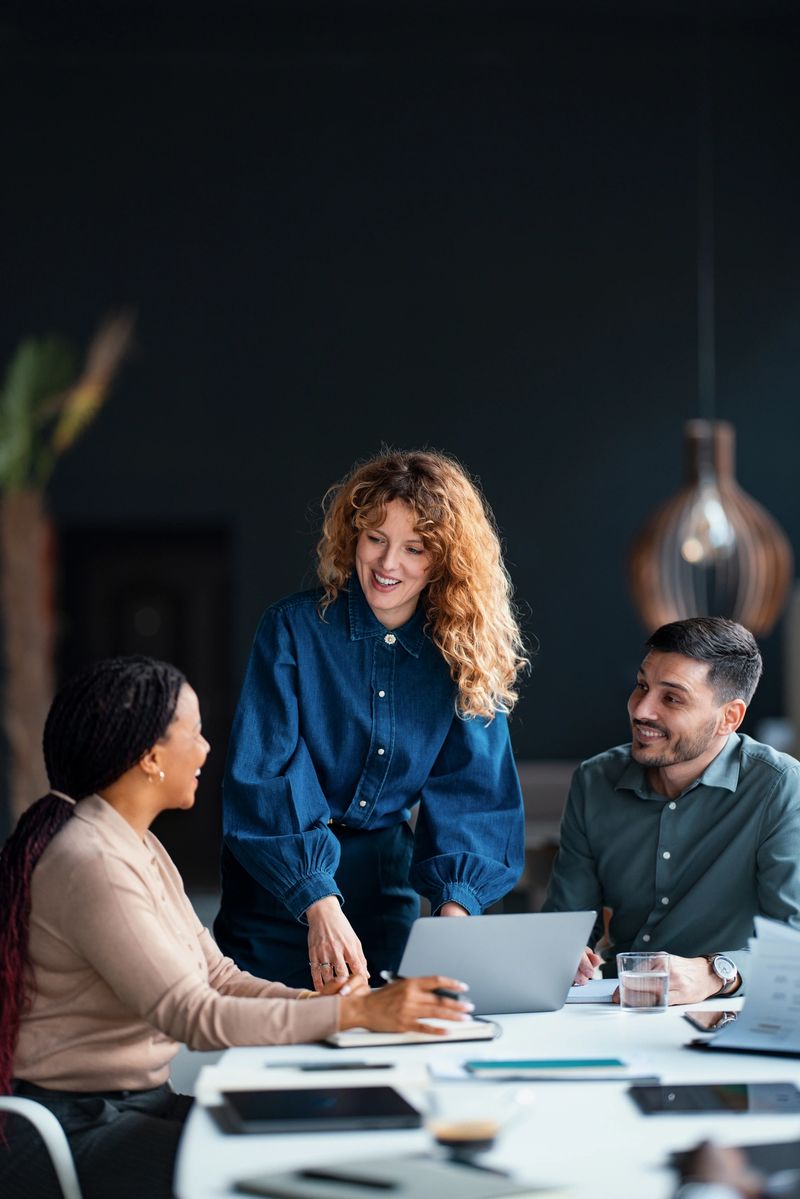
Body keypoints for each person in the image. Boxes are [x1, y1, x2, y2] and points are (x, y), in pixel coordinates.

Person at [0, 656, 473, 1199]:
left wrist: (342, 1008)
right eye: (194, 734)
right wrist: (356, 1012)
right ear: (151, 758)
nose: (206, 750)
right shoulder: (93, 862)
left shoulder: (138, 844)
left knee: (324, 1140)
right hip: (74, 1125)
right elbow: (195, 1016)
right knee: (289, 1177)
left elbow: (219, 978)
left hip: (135, 1103)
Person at [214, 448, 528, 990]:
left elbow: (476, 792)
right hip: (278, 880)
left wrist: (453, 917)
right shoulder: (292, 629)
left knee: (390, 1045)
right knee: (268, 1047)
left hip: (385, 882)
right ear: (352, 535)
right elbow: (267, 772)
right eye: (376, 539)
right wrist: (316, 899)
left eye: (415, 548)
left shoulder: (463, 652)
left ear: (445, 558)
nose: (388, 565)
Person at [544, 616, 800, 1005]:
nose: (641, 710)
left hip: (729, 1009)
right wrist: (562, 951)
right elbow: (564, 921)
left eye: (672, 698)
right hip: (617, 1003)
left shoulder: (779, 786)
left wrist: (715, 972)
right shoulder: (595, 780)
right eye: (642, 686)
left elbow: (793, 938)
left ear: (728, 718)